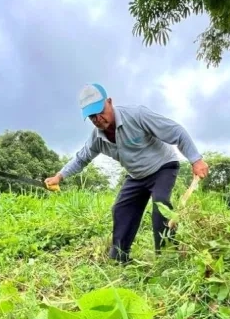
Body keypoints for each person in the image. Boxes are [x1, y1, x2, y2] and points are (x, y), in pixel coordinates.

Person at [44, 83, 209, 263]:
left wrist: (195, 159)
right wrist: (59, 176)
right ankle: (120, 259)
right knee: (121, 209)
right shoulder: (97, 138)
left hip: (163, 166)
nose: (98, 119)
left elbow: (175, 131)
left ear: (109, 102)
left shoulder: (137, 115)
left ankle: (167, 257)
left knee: (161, 204)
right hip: (137, 176)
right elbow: (80, 159)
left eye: (100, 111)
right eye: (92, 116)